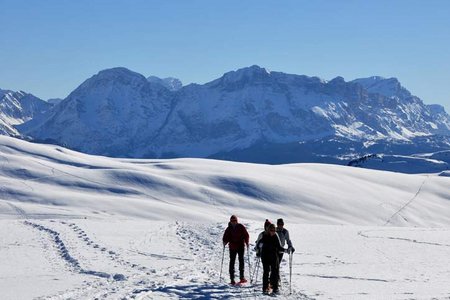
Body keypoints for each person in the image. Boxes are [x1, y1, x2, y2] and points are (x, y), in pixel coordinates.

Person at [256, 223, 286, 295]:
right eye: (271, 230)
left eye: (274, 230)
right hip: (265, 257)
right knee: (266, 272)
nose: (272, 232)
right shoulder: (265, 236)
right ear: (268, 230)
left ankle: (275, 288)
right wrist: (259, 247)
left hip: (273, 256)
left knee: (274, 272)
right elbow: (258, 244)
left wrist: (286, 250)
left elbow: (279, 247)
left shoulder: (276, 236)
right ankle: (265, 288)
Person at [222, 215, 250, 285]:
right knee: (232, 262)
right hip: (232, 247)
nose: (233, 222)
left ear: (237, 221)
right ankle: (232, 279)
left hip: (240, 246)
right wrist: (225, 241)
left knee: (241, 261)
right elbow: (225, 237)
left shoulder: (241, 227)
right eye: (232, 221)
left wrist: (247, 242)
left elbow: (246, 235)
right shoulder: (229, 229)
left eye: (235, 220)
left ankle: (241, 277)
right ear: (230, 221)